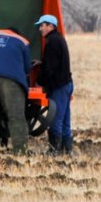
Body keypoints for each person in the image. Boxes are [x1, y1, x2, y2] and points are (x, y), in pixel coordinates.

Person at [35, 14, 74, 154]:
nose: (40, 29)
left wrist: (39, 82)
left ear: (50, 26)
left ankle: (54, 150)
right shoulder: (59, 39)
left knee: (56, 119)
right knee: (65, 119)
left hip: (59, 86)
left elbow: (49, 67)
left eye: (42, 25)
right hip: (67, 84)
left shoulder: (51, 42)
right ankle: (67, 149)